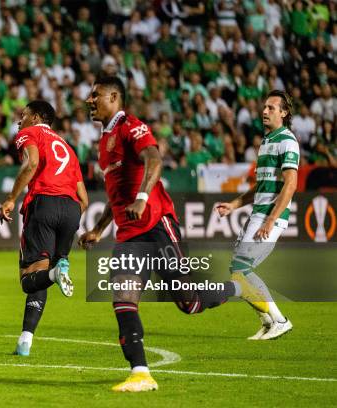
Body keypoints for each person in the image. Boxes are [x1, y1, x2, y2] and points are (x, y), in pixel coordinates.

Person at [78, 76, 266, 392]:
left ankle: (239, 287)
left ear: (114, 97)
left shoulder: (130, 126)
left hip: (156, 225)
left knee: (189, 302)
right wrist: (98, 228)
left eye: (95, 95)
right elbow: (117, 194)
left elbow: (154, 158)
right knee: (123, 298)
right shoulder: (104, 139)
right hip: (128, 236)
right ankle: (140, 373)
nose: (89, 100)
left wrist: (141, 197)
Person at [0, 100, 88, 357]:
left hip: (44, 204)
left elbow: (31, 164)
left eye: (24, 115)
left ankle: (54, 275)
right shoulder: (68, 148)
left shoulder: (29, 133)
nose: (20, 120)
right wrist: (69, 221)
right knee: (47, 268)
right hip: (71, 210)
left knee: (30, 280)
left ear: (36, 117)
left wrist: (11, 198)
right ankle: (25, 341)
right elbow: (84, 200)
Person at [216, 90, 298, 340]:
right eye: (264, 107)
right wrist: (234, 204)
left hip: (269, 218)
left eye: (271, 108)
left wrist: (271, 220)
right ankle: (266, 321)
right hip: (257, 215)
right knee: (236, 270)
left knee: (242, 268)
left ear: (283, 113)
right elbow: (261, 187)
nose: (264, 111)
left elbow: (291, 184)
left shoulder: (287, 140)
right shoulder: (266, 142)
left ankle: (280, 320)